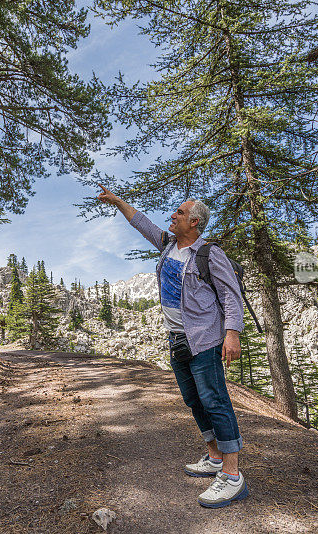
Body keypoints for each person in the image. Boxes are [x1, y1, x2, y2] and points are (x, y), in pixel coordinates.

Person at [96, 184, 248, 508]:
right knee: (194, 401)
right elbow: (143, 223)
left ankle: (233, 477)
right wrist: (117, 200)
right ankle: (215, 457)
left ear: (194, 222)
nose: (172, 215)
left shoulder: (210, 254)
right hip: (177, 340)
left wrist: (232, 334)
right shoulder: (167, 246)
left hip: (204, 339)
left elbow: (231, 296)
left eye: (179, 212)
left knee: (215, 400)